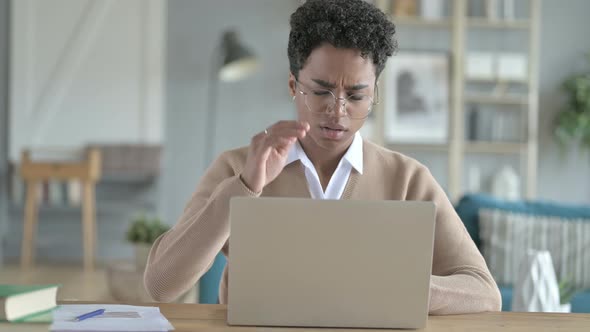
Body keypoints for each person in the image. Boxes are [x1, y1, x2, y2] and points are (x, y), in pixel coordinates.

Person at [144, 0, 501, 315]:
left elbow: (484, 292)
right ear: (292, 85)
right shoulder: (237, 168)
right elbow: (161, 285)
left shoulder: (408, 178)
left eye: (357, 95)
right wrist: (244, 187)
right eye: (321, 91)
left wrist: (403, 289)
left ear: (375, 93)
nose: (338, 111)